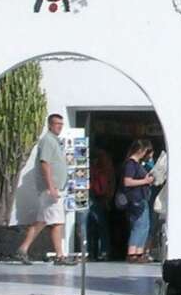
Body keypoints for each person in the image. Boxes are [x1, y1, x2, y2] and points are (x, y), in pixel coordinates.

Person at [15, 113, 73, 264]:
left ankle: (23, 249)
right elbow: (45, 163)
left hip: (52, 188)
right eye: (56, 123)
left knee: (42, 221)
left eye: (61, 124)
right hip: (51, 189)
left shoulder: (54, 141)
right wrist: (51, 187)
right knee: (57, 222)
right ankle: (60, 256)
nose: (59, 126)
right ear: (50, 125)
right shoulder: (48, 141)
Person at [120, 137, 155, 263]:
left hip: (141, 196)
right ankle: (132, 252)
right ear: (140, 150)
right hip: (135, 198)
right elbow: (127, 181)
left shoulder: (138, 164)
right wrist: (145, 181)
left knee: (144, 225)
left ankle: (139, 251)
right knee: (138, 225)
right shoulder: (131, 164)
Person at [86, 147, 116, 261]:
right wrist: (109, 197)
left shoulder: (95, 168)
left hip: (94, 195)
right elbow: (110, 182)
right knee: (101, 226)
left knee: (91, 226)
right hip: (100, 197)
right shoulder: (106, 167)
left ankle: (91, 251)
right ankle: (103, 251)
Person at [148, 148, 168, 262]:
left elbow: (157, 178)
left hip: (168, 197)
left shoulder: (166, 157)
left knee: (158, 225)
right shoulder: (166, 156)